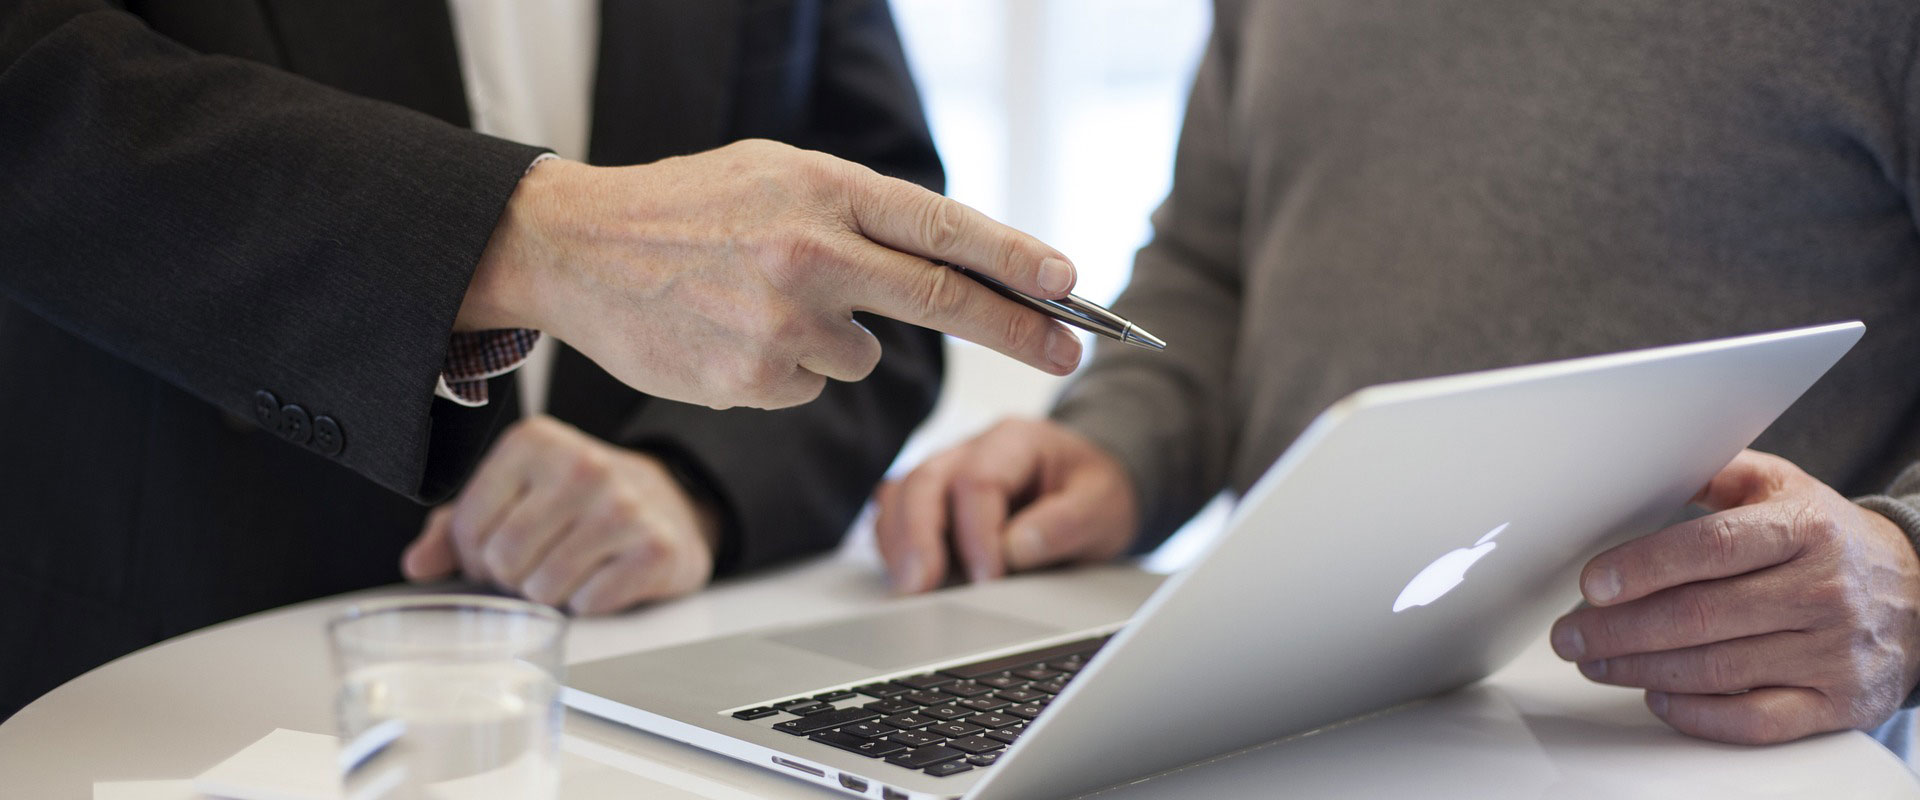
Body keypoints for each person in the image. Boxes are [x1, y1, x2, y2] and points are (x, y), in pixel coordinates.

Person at [876, 0, 1920, 753]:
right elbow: (1212, 260)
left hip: (1697, 744)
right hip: (1283, 723)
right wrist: (1117, 445)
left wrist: (1907, 572)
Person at [0, 0, 1087, 719]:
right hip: (153, 683)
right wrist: (526, 233)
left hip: (640, 700)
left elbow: (865, 258)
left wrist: (695, 482)